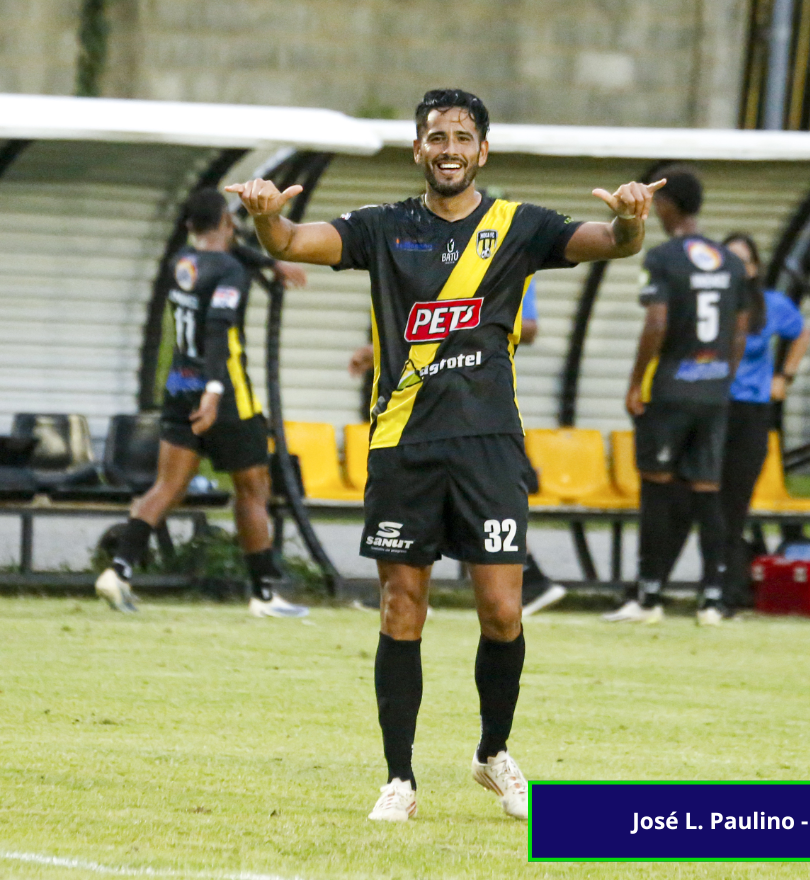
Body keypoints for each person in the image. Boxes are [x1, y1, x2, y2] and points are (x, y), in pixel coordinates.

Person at [228, 87, 661, 822]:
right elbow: (295, 243)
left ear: (482, 150)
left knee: (501, 609)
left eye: (463, 137)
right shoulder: (383, 227)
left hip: (489, 445)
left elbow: (610, 244)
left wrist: (628, 221)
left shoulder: (518, 226)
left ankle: (493, 755)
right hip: (403, 446)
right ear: (419, 149)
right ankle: (399, 778)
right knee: (403, 606)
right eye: (437, 137)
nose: (450, 149)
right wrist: (268, 218)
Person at [93, 187, 310, 619]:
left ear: (190, 227)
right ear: (228, 224)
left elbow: (223, 256)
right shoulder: (230, 270)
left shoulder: (181, 263)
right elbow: (217, 328)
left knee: (166, 486)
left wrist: (269, 263)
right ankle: (265, 594)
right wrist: (214, 391)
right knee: (252, 489)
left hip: (178, 386)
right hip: (224, 392)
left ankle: (118, 571)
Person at [347, 275, 567, 617]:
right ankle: (406, 593)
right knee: (451, 503)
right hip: (422, 409)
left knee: (481, 505)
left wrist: (467, 321)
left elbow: (530, 325)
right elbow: (417, 328)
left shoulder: (509, 246)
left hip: (479, 413)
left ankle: (528, 582)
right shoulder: (419, 249)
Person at [604, 168, 750, 627]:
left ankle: (648, 597)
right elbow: (741, 328)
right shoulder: (730, 261)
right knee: (708, 493)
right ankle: (711, 598)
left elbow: (657, 324)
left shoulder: (664, 256)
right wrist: (723, 374)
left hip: (670, 391)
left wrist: (634, 382)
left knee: (656, 490)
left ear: (668, 206)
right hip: (713, 391)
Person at [719, 232, 810, 611]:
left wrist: (784, 377)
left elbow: (802, 331)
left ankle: (730, 589)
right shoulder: (711, 302)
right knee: (706, 501)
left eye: (743, 260)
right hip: (713, 409)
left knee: (734, 502)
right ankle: (717, 583)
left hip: (751, 412)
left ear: (755, 268)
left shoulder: (770, 305)